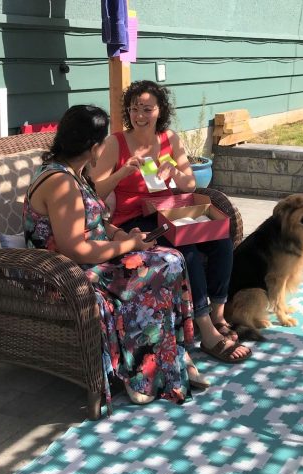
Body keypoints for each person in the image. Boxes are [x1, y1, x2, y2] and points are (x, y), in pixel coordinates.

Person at [23, 104, 208, 407]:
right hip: (64, 271)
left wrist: (122, 235)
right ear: (94, 147)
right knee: (154, 269)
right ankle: (140, 370)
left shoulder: (74, 172)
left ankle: (169, 354)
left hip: (95, 257)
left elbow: (95, 221)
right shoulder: (60, 183)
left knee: (171, 259)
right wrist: (129, 246)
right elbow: (75, 248)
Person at [89, 80, 251, 364]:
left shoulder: (169, 139)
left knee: (220, 240)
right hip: (132, 220)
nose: (140, 115)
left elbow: (189, 185)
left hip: (168, 211)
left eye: (147, 109)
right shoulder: (116, 142)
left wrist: (173, 170)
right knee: (185, 251)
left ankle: (218, 313)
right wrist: (121, 174)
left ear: (160, 110)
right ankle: (206, 330)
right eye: (134, 109)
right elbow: (95, 192)